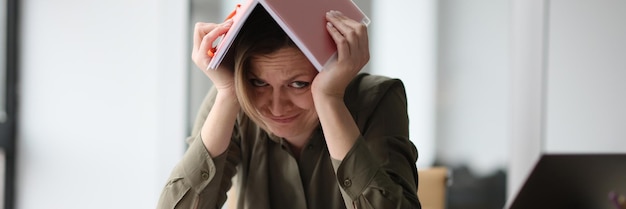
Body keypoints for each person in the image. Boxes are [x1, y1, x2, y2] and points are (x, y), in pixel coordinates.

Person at [157, 6, 421, 209]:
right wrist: (227, 95)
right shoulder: (233, 97)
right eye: (259, 82)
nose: (276, 106)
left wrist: (328, 98)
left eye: (298, 84)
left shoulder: (376, 98)